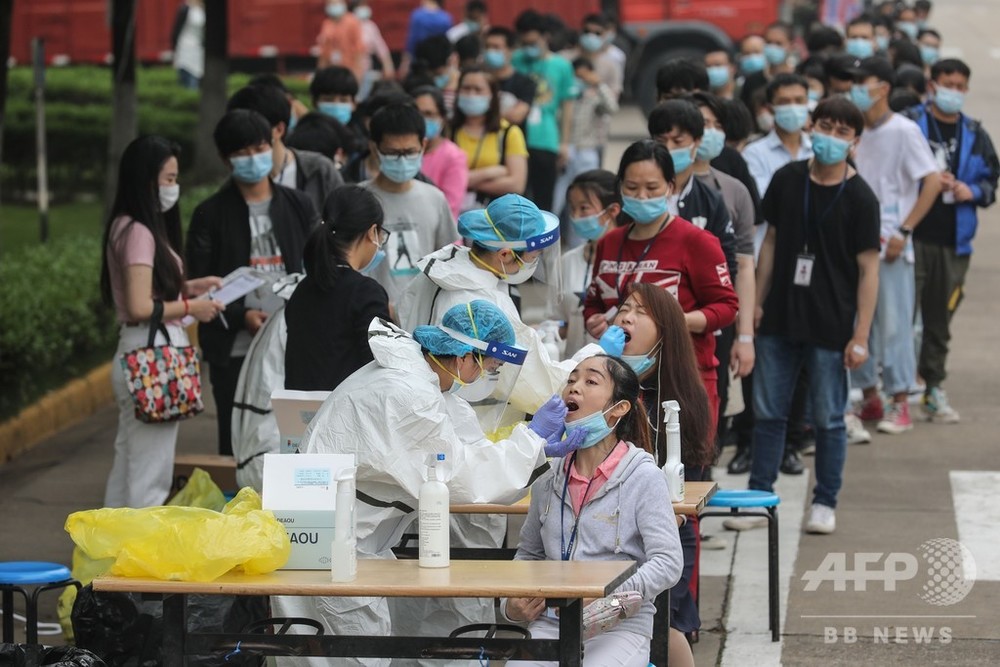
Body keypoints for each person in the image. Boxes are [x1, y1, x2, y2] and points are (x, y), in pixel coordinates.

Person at [271, 300, 561, 667]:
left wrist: (533, 446)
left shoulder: (416, 378)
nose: (487, 375)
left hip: (326, 530)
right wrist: (531, 440)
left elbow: (462, 441)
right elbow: (460, 477)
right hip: (330, 540)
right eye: (488, 366)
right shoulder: (408, 394)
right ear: (463, 358)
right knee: (350, 654)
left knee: (321, 650)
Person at [750, 97, 881, 534]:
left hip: (831, 324)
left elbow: (869, 269)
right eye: (825, 126)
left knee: (827, 418)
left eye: (843, 132)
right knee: (768, 412)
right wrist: (757, 300)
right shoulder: (788, 179)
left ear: (855, 141)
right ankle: (757, 496)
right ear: (812, 128)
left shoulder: (861, 196)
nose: (831, 137)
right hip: (780, 317)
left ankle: (825, 501)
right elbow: (770, 242)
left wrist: (860, 335)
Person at [502, 354, 684, 667]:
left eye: (590, 381)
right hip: (551, 624)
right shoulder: (547, 474)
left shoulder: (642, 475)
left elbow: (667, 562)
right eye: (571, 380)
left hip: (620, 625)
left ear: (619, 409)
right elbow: (529, 556)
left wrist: (604, 594)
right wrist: (511, 606)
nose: (574, 387)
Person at [186, 109, 320, 456]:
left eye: (259, 148)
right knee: (237, 439)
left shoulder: (298, 204)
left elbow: (316, 266)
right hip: (235, 349)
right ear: (226, 158)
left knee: (295, 438)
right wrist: (240, 315)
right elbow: (198, 283)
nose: (253, 158)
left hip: (293, 342)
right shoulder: (210, 214)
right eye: (242, 152)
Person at [100, 136, 224, 507]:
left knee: (130, 463)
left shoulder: (125, 225)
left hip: (138, 353)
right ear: (146, 179)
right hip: (151, 358)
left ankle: (109, 553)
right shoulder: (139, 232)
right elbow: (140, 305)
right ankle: (134, 559)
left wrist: (187, 288)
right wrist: (191, 306)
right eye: (168, 179)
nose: (173, 188)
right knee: (149, 475)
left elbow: (146, 290)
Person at [582, 140, 739, 426]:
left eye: (652, 188)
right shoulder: (609, 243)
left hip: (683, 383)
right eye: (632, 188)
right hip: (619, 386)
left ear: (669, 187)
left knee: (683, 467)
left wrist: (677, 320)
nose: (641, 196)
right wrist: (593, 318)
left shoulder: (697, 242)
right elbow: (594, 300)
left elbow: (727, 307)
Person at [849, 56, 942, 434]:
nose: (856, 90)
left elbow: (932, 180)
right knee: (859, 324)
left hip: (891, 245)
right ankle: (871, 396)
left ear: (883, 88)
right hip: (857, 243)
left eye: (862, 83)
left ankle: (901, 400)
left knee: (894, 325)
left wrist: (905, 231)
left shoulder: (904, 130)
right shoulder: (855, 131)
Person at [903, 59, 999, 423]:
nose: (953, 91)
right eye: (948, 84)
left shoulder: (975, 132)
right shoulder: (911, 124)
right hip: (911, 236)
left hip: (953, 242)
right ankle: (892, 388)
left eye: (960, 86)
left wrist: (969, 190)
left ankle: (932, 387)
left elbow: (992, 182)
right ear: (932, 84)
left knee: (940, 318)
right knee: (898, 315)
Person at [284, 186, 391, 391]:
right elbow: (381, 370)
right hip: (348, 416)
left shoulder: (301, 290)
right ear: (372, 233)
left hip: (302, 417)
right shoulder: (365, 293)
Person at [360, 102, 458, 306]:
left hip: (423, 311)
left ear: (423, 145)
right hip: (371, 311)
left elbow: (449, 260)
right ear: (374, 148)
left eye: (409, 152)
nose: (402, 160)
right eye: (393, 153)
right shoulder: (358, 199)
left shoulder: (435, 198)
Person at [227, 84, 345, 215]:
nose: (245, 139)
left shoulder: (320, 170)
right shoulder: (233, 186)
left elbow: (346, 223)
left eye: (253, 130)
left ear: (279, 129)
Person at [513, 9, 578, 213]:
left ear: (545, 37)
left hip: (546, 139)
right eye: (525, 44)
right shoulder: (515, 60)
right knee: (517, 201)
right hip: (517, 138)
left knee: (544, 201)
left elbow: (567, 107)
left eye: (533, 43)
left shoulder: (562, 66)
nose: (529, 48)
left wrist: (564, 142)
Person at [552, 57, 618, 235]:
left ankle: (580, 241)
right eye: (577, 77)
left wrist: (599, 85)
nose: (580, 81)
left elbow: (612, 108)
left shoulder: (593, 98)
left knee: (587, 201)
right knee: (556, 201)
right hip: (565, 150)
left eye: (584, 77)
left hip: (586, 151)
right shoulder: (563, 97)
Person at [561, 170, 622, 357]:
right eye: (572, 208)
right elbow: (557, 320)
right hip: (574, 369)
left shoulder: (629, 261)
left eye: (584, 208)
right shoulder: (567, 260)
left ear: (612, 211)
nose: (576, 216)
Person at [452, 66, 530, 206]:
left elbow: (517, 185)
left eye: (478, 90)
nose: (471, 94)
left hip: (494, 214)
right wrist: (490, 173)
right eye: (466, 88)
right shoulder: (448, 130)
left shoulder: (509, 132)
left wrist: (464, 181)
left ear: (492, 95)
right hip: (453, 211)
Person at [413, 85, 470, 219]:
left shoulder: (453, 156)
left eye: (429, 114)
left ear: (442, 118)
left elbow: (450, 205)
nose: (421, 120)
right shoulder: (404, 153)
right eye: (417, 114)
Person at [483, 26, 537, 126]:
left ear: (510, 50)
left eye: (496, 47)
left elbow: (517, 116)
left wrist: (483, 113)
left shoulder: (525, 83)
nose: (490, 52)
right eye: (487, 47)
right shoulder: (480, 79)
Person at [352, 0, 396, 100]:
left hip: (365, 69)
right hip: (350, 68)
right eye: (361, 5)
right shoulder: (349, 24)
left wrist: (388, 67)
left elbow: (381, 48)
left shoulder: (370, 26)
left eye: (365, 5)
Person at [316, 0, 367, 80]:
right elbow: (324, 52)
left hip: (349, 70)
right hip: (332, 70)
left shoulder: (352, 22)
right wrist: (320, 73)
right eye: (331, 4)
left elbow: (359, 50)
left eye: (336, 3)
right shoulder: (327, 24)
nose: (334, 6)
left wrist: (357, 74)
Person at [402, 0, 453, 76]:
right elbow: (448, 43)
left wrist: (405, 63)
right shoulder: (446, 18)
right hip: (440, 63)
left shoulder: (417, 16)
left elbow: (412, 41)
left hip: (420, 61)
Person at [170, 0, 204, 90]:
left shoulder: (203, 9)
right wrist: (174, 50)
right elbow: (176, 30)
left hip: (198, 50)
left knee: (195, 80)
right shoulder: (185, 8)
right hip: (184, 48)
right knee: (186, 80)